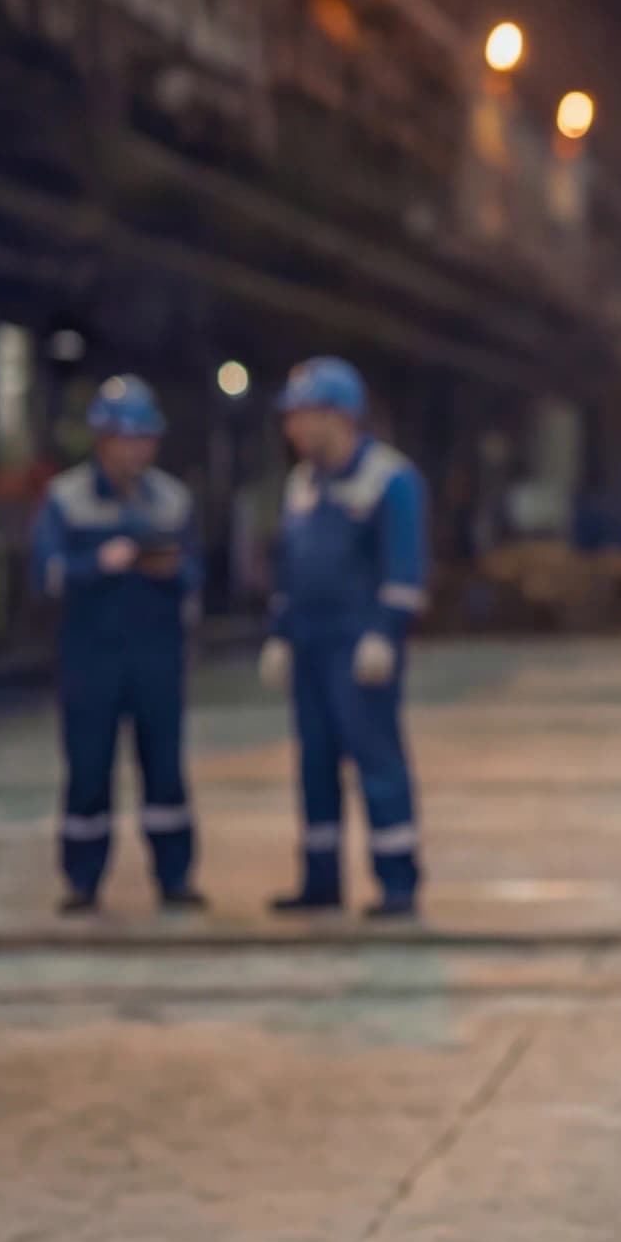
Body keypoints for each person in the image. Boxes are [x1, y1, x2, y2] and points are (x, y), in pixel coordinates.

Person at [260, 358, 429, 917]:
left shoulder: (389, 479)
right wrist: (281, 634)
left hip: (360, 647)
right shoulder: (301, 485)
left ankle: (397, 883)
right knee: (315, 763)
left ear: (337, 417)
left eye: (302, 416)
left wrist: (385, 632)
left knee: (376, 758)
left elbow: (404, 567)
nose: (292, 430)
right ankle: (320, 881)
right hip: (310, 642)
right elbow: (289, 565)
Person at [31, 374, 203, 913]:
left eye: (144, 439)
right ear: (102, 440)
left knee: (166, 771)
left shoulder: (172, 501)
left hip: (156, 656)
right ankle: (82, 880)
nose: (136, 450)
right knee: (87, 770)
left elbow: (197, 572)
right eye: (125, 438)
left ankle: (174, 878)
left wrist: (168, 569)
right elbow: (47, 574)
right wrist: (97, 565)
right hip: (91, 659)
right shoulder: (66, 499)